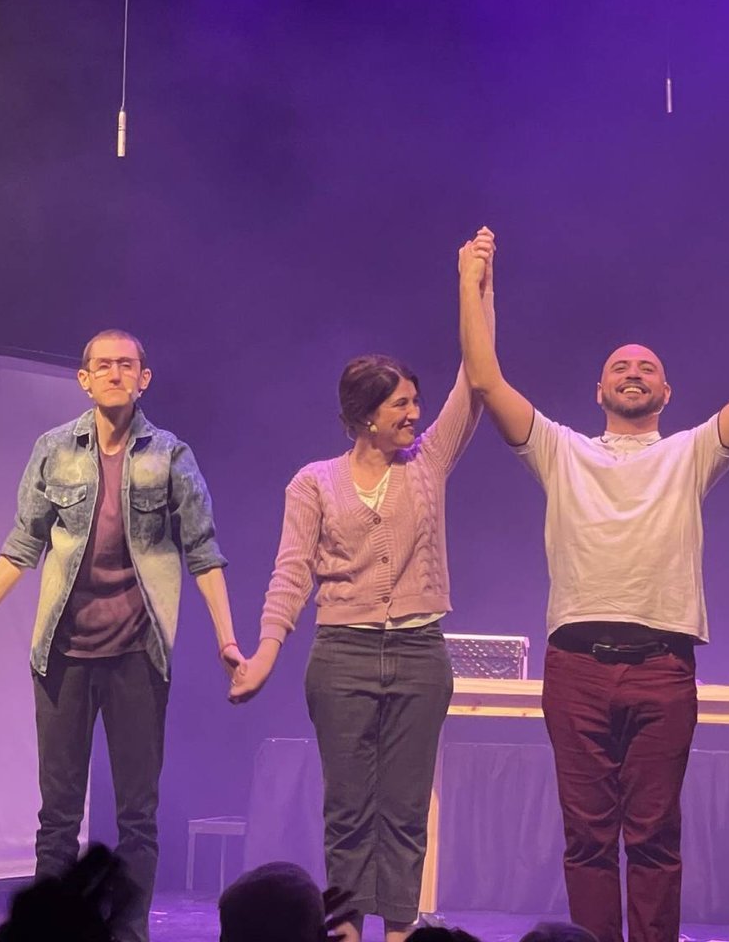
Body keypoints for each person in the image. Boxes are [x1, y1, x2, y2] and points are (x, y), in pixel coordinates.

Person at [457, 229, 729, 942]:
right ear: (600, 389)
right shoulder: (561, 449)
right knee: (586, 837)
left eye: (647, 367)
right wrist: (472, 282)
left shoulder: (690, 452)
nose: (634, 371)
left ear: (666, 391)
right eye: (620, 365)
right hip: (576, 665)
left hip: (661, 665)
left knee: (653, 837)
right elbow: (486, 381)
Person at [230, 237, 495, 942]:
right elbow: (291, 573)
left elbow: (478, 376)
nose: (415, 413)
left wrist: (475, 284)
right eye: (401, 403)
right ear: (367, 413)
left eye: (416, 401)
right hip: (341, 656)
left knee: (405, 810)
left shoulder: (428, 462)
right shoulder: (314, 483)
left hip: (418, 654)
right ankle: (345, 931)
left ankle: (400, 932)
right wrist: (264, 655)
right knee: (347, 810)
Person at [0, 329, 243, 942]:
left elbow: (202, 550)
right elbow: (21, 547)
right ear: (83, 379)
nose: (114, 373)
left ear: (144, 378)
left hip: (137, 654)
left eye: (126, 365)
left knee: (138, 815)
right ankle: (48, 936)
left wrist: (226, 640)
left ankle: (129, 934)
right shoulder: (55, 449)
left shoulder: (170, 455)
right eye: (102, 365)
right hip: (63, 656)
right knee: (57, 817)